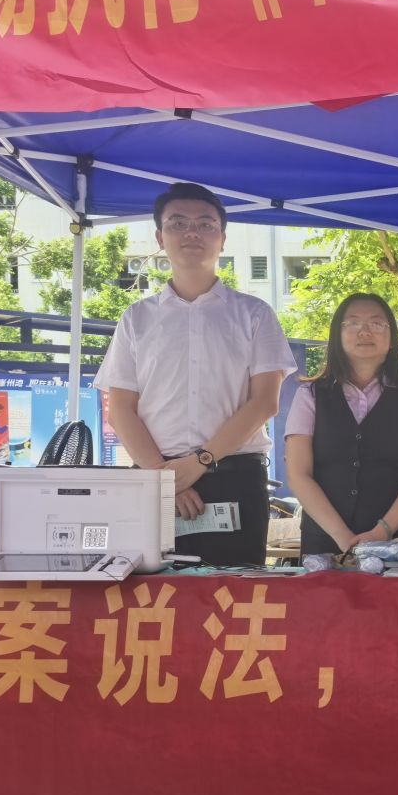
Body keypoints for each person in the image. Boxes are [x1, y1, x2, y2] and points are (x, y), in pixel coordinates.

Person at [96, 183, 298, 567]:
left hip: (235, 477)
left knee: (235, 593)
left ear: (222, 239)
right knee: (150, 596)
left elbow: (264, 402)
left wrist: (200, 461)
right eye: (178, 223)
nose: (192, 233)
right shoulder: (136, 319)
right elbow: (120, 409)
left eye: (206, 224)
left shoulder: (254, 314)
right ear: (160, 237)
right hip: (154, 478)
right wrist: (165, 481)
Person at [283, 293, 398, 557]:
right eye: (353, 323)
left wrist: (382, 531)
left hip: (396, 544)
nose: (364, 331)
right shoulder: (310, 395)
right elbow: (299, 474)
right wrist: (342, 537)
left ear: (392, 338)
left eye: (376, 323)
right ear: (337, 335)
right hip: (324, 545)